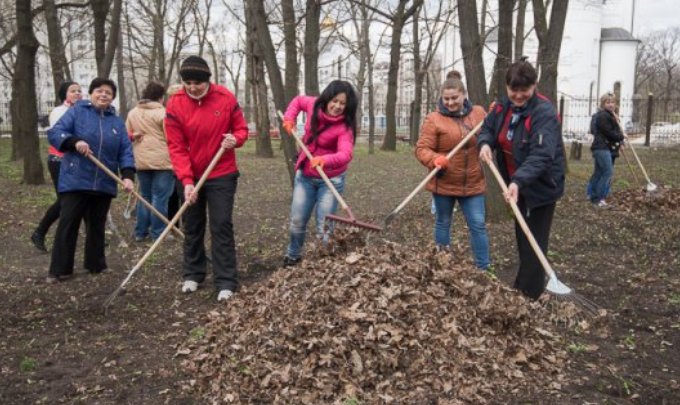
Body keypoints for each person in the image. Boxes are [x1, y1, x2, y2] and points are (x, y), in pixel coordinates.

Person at [477, 59, 566, 300]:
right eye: (513, 90)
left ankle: (530, 293)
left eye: (523, 91)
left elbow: (541, 155)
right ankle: (523, 285)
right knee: (522, 235)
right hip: (516, 185)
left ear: (534, 86)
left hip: (541, 186)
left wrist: (517, 181)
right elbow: (487, 128)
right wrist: (485, 143)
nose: (517, 96)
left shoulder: (544, 112)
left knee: (534, 237)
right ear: (507, 87)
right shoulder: (502, 107)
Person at [165, 56, 248, 302]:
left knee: (221, 224)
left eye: (197, 82)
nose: (192, 87)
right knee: (192, 224)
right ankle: (193, 273)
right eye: (187, 82)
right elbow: (176, 147)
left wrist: (236, 139)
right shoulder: (175, 103)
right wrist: (187, 180)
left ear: (208, 80)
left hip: (222, 173)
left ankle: (226, 280)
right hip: (190, 175)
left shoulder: (225, 98)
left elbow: (241, 129)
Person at [46, 78, 135, 283]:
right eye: (99, 91)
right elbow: (56, 133)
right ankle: (60, 269)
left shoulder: (116, 121)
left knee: (97, 223)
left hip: (104, 180)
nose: (103, 95)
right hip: (76, 178)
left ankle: (95, 264)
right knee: (69, 222)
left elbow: (125, 151)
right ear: (91, 93)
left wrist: (128, 176)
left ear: (112, 97)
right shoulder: (78, 111)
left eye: (108, 93)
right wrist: (75, 141)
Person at [280, 80, 358, 267]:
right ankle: (293, 254)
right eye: (335, 101)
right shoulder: (314, 104)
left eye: (342, 103)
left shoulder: (344, 128)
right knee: (297, 220)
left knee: (324, 227)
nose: (337, 106)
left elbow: (345, 154)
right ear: (327, 98)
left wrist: (325, 160)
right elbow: (298, 101)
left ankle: (324, 262)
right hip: (305, 176)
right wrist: (289, 118)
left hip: (330, 180)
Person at [415, 79, 490, 270]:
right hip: (444, 183)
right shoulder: (434, 119)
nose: (450, 102)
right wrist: (435, 159)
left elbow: (491, 132)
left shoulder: (479, 113)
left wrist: (497, 115)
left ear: (464, 95)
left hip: (473, 183)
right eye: (446, 98)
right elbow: (422, 148)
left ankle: (483, 268)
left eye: (454, 98)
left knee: (478, 225)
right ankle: (442, 264)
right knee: (443, 222)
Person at [31, 81, 82, 252]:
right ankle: (40, 232)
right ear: (64, 94)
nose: (77, 93)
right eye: (72, 91)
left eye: (79, 91)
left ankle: (96, 238)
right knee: (64, 200)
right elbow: (61, 135)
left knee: (85, 196)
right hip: (59, 161)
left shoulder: (82, 111)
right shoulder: (59, 112)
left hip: (78, 161)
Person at [126, 81, 175, 241]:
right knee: (160, 197)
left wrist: (135, 136)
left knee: (144, 196)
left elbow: (128, 134)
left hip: (141, 160)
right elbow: (171, 138)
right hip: (163, 161)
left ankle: (140, 232)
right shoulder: (163, 113)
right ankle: (158, 232)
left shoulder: (133, 112)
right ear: (161, 98)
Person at [586, 92, 625, 207]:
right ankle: (599, 198)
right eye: (608, 102)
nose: (611, 104)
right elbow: (609, 132)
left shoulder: (611, 116)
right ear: (603, 104)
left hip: (607, 147)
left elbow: (616, 130)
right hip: (601, 147)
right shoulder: (603, 116)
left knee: (599, 172)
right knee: (607, 172)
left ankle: (594, 196)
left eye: (613, 102)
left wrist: (620, 142)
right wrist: (621, 137)